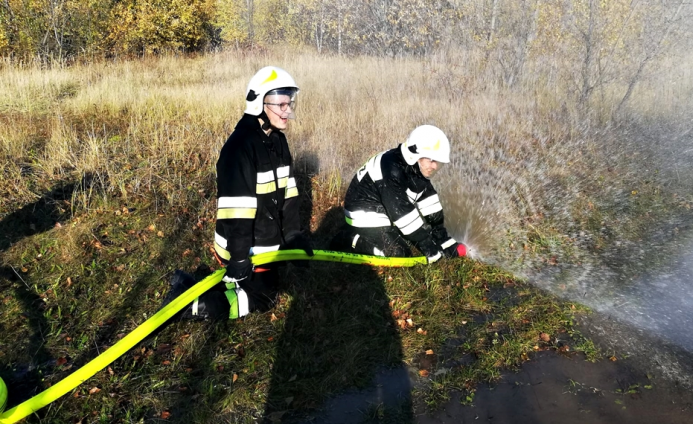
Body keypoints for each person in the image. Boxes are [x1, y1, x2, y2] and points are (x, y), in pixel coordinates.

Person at [165, 66, 313, 320]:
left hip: (266, 242)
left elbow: (288, 193)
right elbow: (237, 212)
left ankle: (204, 286)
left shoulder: (277, 140)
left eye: (289, 103)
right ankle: (186, 299)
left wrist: (293, 236)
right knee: (262, 299)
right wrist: (239, 258)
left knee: (269, 289)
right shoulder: (239, 148)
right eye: (280, 104)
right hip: (242, 246)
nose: (287, 110)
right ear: (258, 103)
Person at [332, 125, 467, 262]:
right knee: (398, 254)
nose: (435, 166)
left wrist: (442, 238)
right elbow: (401, 213)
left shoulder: (415, 166)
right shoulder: (392, 169)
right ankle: (350, 237)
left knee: (406, 236)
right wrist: (426, 244)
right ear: (415, 154)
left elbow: (429, 203)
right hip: (363, 211)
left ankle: (370, 233)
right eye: (431, 160)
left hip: (383, 206)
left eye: (438, 162)